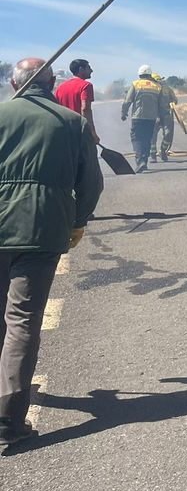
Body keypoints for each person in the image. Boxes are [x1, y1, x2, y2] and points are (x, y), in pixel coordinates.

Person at [0, 58, 103, 448]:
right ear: (52, 82)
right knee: (23, 320)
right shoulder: (71, 123)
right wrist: (77, 221)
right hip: (41, 231)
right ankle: (8, 417)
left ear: (13, 81)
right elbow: (90, 183)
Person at [121, 65, 163, 173]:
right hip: (151, 118)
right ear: (150, 74)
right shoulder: (157, 86)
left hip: (138, 117)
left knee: (137, 138)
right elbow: (161, 105)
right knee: (147, 139)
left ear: (139, 74)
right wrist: (161, 118)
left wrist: (124, 113)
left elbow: (127, 101)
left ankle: (140, 162)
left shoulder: (136, 84)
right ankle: (144, 160)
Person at [54, 59, 100, 145]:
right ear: (81, 69)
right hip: (80, 131)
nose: (91, 70)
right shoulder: (86, 85)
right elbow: (85, 109)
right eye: (88, 68)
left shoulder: (60, 88)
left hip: (65, 132)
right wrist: (92, 132)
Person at [151, 74, 178, 163]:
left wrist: (173, 102)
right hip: (154, 115)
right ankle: (153, 155)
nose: (159, 83)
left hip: (166, 114)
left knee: (168, 134)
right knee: (152, 135)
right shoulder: (150, 89)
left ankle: (163, 151)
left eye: (160, 81)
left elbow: (174, 99)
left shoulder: (167, 89)